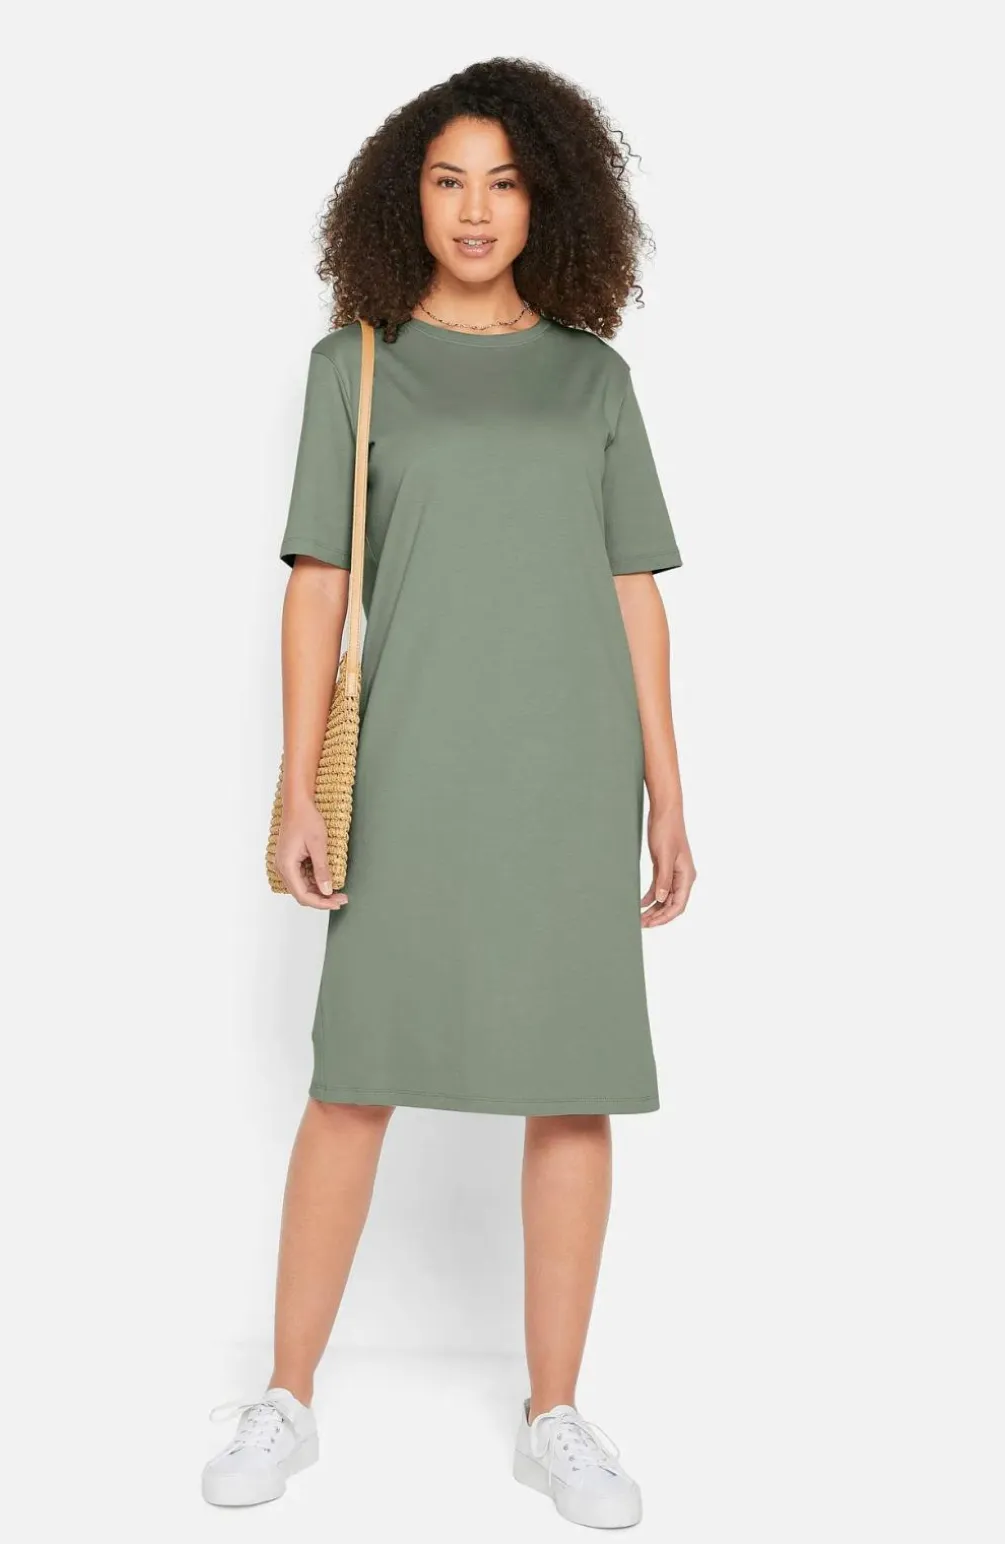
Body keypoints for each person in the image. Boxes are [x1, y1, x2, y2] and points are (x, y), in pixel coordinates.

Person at [202, 56, 696, 1529]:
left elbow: (635, 594)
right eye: (446, 180)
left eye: (503, 182)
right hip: (409, 769)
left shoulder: (594, 377)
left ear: (549, 200)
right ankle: (287, 1396)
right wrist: (299, 788)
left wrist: (669, 795)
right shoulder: (353, 367)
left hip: (569, 775)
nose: (475, 210)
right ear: (403, 198)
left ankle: (556, 1413)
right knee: (354, 1076)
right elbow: (316, 587)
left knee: (572, 1086)